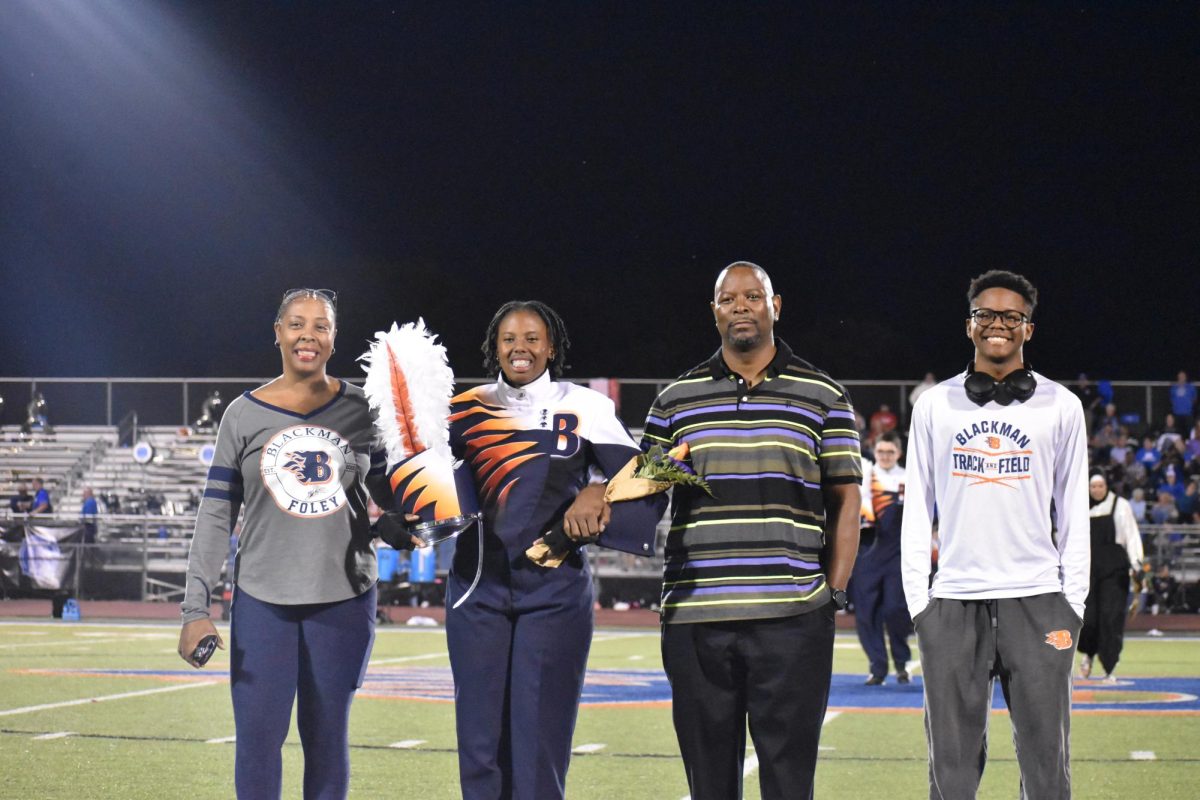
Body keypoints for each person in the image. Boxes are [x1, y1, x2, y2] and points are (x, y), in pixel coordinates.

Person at [642, 261, 861, 800]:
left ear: (775, 306)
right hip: (697, 618)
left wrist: (831, 594)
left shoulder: (824, 395)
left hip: (792, 619)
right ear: (714, 311)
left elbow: (846, 501)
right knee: (709, 785)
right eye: (728, 298)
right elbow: (643, 495)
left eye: (752, 296)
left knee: (789, 782)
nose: (740, 306)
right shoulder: (675, 400)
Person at [178, 288, 400, 799]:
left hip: (344, 596)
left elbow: (390, 492)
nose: (308, 335)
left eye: (321, 326)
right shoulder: (242, 414)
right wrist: (195, 607)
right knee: (257, 742)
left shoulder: (366, 408)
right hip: (263, 599)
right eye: (297, 324)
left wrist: (397, 520)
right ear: (277, 332)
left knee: (327, 740)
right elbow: (215, 516)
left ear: (334, 338)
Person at [442, 300, 663, 800]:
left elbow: (649, 478)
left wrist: (599, 489)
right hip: (476, 589)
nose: (520, 348)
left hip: (555, 591)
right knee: (479, 744)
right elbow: (425, 488)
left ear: (552, 346)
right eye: (508, 338)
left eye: (532, 337)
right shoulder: (463, 408)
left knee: (540, 744)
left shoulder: (585, 404)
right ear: (493, 348)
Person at [901, 270, 1089, 799]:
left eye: (1012, 316)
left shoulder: (1062, 406)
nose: (998, 325)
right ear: (969, 326)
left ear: (1029, 328)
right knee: (951, 774)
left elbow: (1073, 511)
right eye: (987, 315)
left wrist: (1070, 602)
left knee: (1047, 768)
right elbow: (918, 509)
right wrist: (922, 603)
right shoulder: (934, 405)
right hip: (953, 602)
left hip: (1039, 602)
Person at [854, 430, 912, 685]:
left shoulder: (910, 478)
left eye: (890, 451)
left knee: (895, 610)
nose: (885, 456)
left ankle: (901, 663)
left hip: (897, 554)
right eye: (881, 451)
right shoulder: (864, 474)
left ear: (899, 453)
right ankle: (877, 668)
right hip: (866, 552)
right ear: (874, 451)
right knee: (866, 614)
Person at [1079, 470, 1143, 683]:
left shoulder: (1120, 505)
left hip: (1114, 570)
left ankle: (1109, 667)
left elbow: (1131, 535)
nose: (1097, 490)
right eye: (1093, 486)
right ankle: (1088, 654)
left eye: (1100, 486)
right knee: (1088, 618)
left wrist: (1137, 563)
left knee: (1111, 618)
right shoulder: (1079, 507)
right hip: (1089, 569)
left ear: (1106, 487)